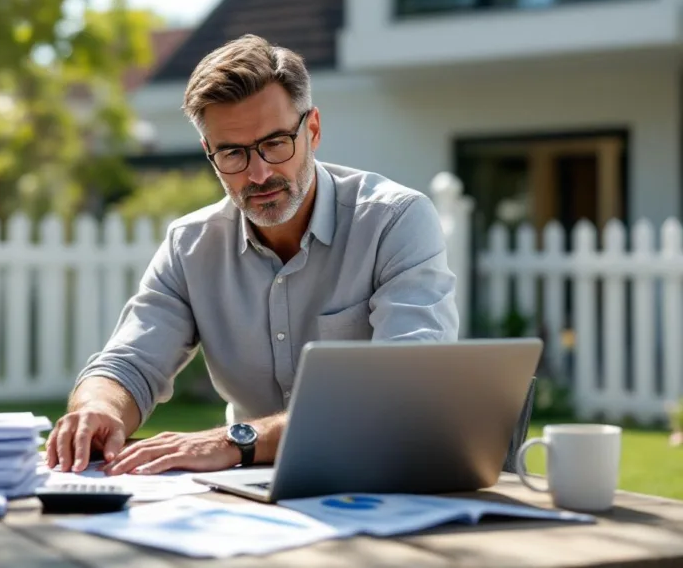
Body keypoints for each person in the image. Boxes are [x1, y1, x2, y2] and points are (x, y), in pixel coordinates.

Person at [44, 34, 459, 476]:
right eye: (233, 153)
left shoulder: (395, 221)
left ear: (313, 129)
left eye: (276, 143)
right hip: (250, 498)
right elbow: (130, 363)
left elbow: (406, 390)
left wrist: (237, 441)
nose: (259, 174)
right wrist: (98, 407)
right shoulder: (191, 246)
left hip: (383, 478)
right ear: (210, 153)